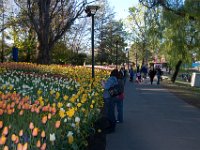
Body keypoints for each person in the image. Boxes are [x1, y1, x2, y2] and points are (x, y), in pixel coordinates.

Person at [102, 69, 119, 133]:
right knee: (111, 111)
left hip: (108, 97)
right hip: (112, 97)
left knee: (110, 112)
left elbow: (106, 87)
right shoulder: (115, 79)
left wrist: (102, 82)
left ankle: (111, 128)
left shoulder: (111, 79)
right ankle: (111, 126)